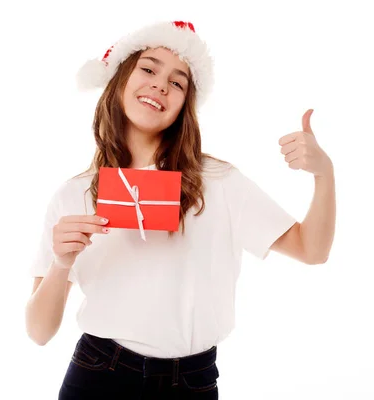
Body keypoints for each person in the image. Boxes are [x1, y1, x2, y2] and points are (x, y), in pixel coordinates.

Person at [25, 20, 336, 400]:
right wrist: (61, 263)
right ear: (120, 78)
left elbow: (312, 249)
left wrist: (324, 174)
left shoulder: (218, 181)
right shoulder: (73, 193)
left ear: (184, 106)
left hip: (191, 380)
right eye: (149, 68)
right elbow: (39, 332)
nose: (160, 84)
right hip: (98, 373)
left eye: (177, 82)